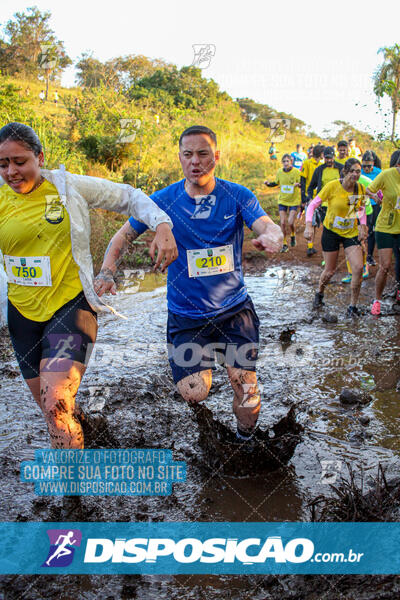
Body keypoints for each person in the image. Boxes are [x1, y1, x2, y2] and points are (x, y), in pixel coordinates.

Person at [96, 125, 283, 447]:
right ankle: (207, 393)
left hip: (235, 310)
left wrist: (272, 236)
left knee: (246, 387)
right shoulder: (162, 201)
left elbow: (267, 224)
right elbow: (122, 236)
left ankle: (244, 441)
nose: (195, 161)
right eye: (188, 154)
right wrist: (106, 273)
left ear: (216, 157)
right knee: (194, 392)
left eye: (203, 154)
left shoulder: (237, 195)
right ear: (180, 158)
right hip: (186, 315)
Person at [0, 122, 177, 449]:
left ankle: (72, 496)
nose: (11, 171)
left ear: (40, 157)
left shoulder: (68, 187)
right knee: (54, 409)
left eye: (19, 161)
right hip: (22, 315)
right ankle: (89, 434)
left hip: (70, 305)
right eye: (2, 164)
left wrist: (162, 225)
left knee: (55, 401)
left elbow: (129, 196)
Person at [304, 158, 368, 317]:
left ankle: (352, 306)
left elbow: (360, 209)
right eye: (352, 171)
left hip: (350, 233)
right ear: (345, 171)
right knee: (330, 271)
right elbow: (312, 205)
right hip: (331, 232)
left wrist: (363, 226)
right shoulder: (333, 186)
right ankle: (319, 293)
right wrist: (308, 226)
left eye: (358, 171)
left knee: (358, 268)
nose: (355, 174)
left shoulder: (360, 188)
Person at [366, 150, 400, 315]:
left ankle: (398, 291)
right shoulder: (386, 175)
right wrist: (376, 197)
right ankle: (377, 300)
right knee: (385, 265)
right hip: (385, 225)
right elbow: (368, 189)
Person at [264, 153, 301, 252]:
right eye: (284, 161)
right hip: (283, 200)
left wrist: (299, 184)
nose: (285, 163)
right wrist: (268, 184)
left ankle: (293, 234)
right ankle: (284, 244)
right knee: (283, 223)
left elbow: (302, 184)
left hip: (293, 201)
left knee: (290, 222)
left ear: (291, 162)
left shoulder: (297, 172)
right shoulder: (280, 172)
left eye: (287, 161)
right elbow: (276, 183)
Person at [300, 144, 324, 256]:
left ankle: (311, 246)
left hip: (319, 197)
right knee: (311, 221)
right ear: (321, 154)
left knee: (314, 223)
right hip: (310, 197)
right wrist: (304, 197)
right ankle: (309, 247)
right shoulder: (306, 163)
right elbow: (303, 180)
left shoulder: (322, 165)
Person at [361, 151, 382, 266]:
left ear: (373, 164)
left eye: (369, 166)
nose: (367, 168)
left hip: (375, 204)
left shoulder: (379, 172)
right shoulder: (358, 172)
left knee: (372, 230)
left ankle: (369, 256)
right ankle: (360, 254)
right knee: (362, 229)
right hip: (361, 204)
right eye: (364, 166)